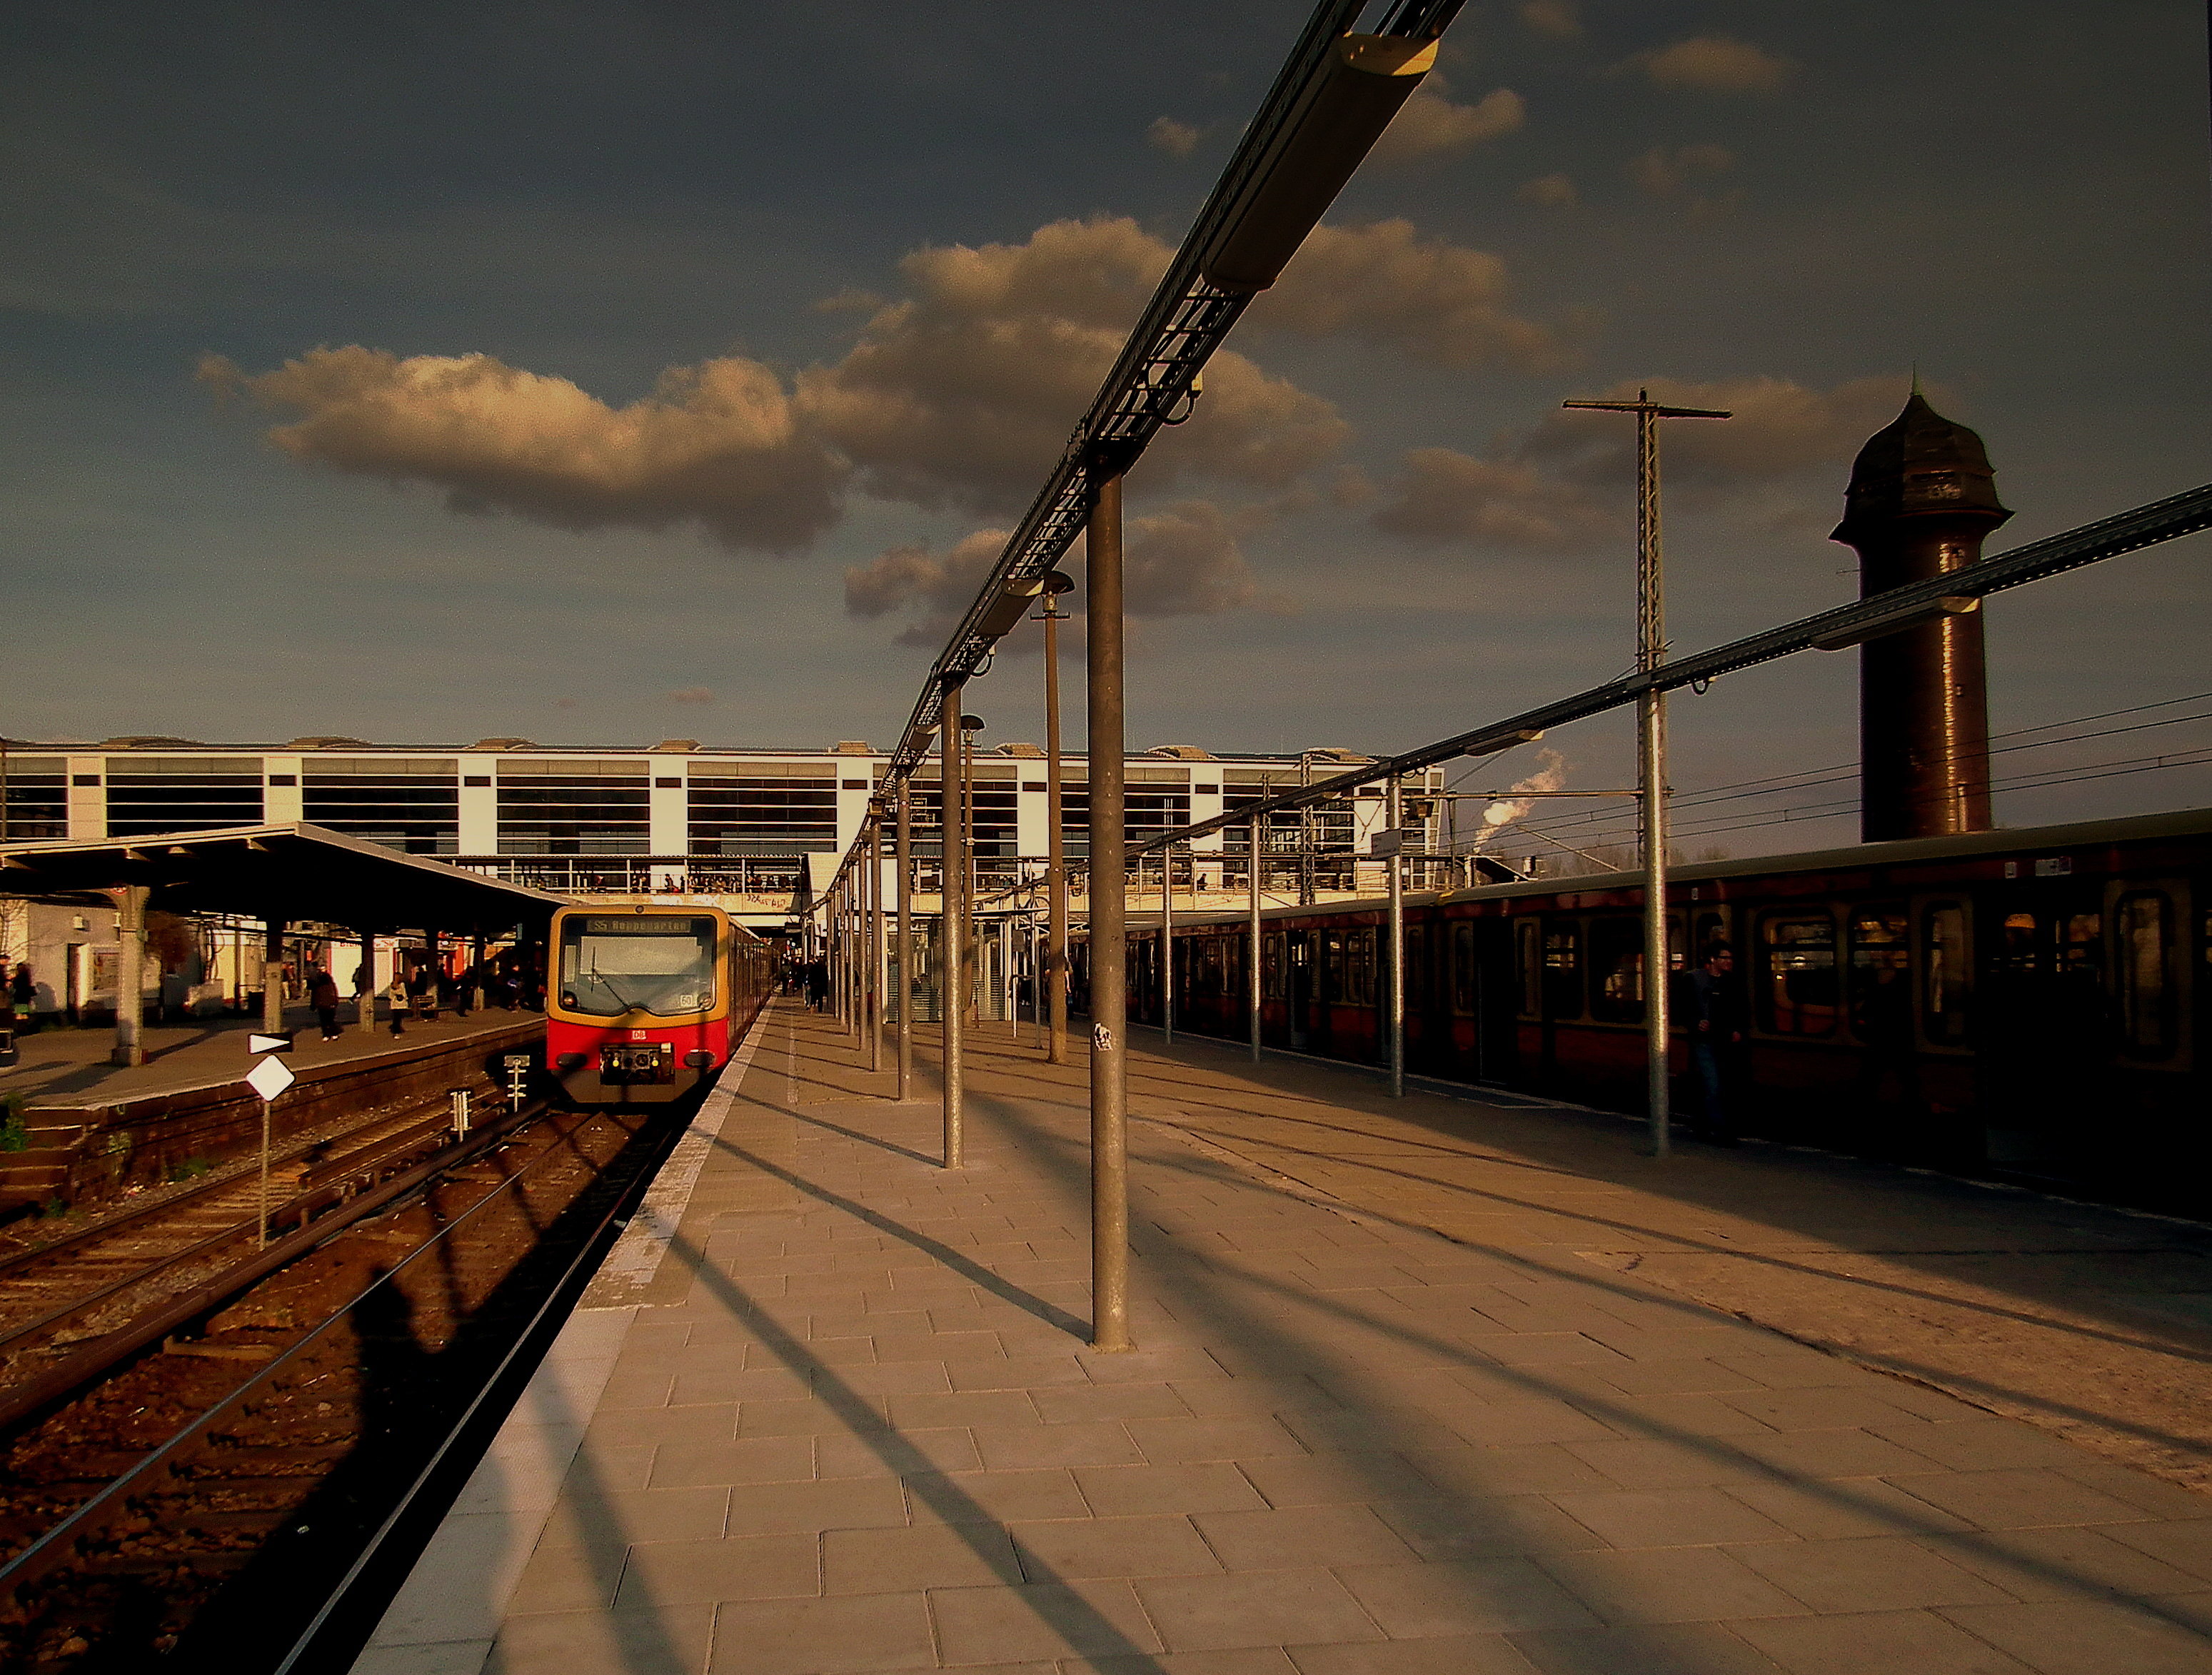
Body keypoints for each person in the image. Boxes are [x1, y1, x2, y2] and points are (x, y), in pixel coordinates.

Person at [1676, 942, 1743, 1145]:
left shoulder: (1732, 982)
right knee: (1712, 1085)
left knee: (1725, 1085)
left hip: (1725, 1040)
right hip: (1703, 1040)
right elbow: (1682, 1008)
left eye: (1731, 958)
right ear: (1712, 960)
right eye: (1725, 958)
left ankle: (1720, 1127)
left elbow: (1740, 1008)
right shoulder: (1693, 980)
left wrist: (1737, 1030)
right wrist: (1696, 1022)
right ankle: (1716, 1129)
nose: (1729, 962)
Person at [308, 966, 342, 1040]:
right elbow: (334, 993)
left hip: (321, 1004)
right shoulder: (330, 984)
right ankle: (334, 1034)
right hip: (330, 1003)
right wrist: (335, 1002)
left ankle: (326, 1035)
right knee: (331, 1020)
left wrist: (313, 1005)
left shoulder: (317, 985)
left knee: (323, 1021)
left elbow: (314, 995)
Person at [11, 963, 35, 1034]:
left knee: (19, 1015)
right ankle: (24, 1028)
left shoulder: (17, 978)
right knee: (24, 1014)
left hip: (19, 998)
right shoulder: (27, 978)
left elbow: (14, 987)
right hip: (25, 998)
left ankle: (20, 1029)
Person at [387, 967, 410, 1037]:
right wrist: (406, 998)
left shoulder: (392, 985)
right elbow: (404, 994)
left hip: (394, 1004)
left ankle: (395, 1032)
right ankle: (398, 1031)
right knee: (399, 1019)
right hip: (401, 1004)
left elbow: (390, 996)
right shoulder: (402, 985)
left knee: (395, 1019)